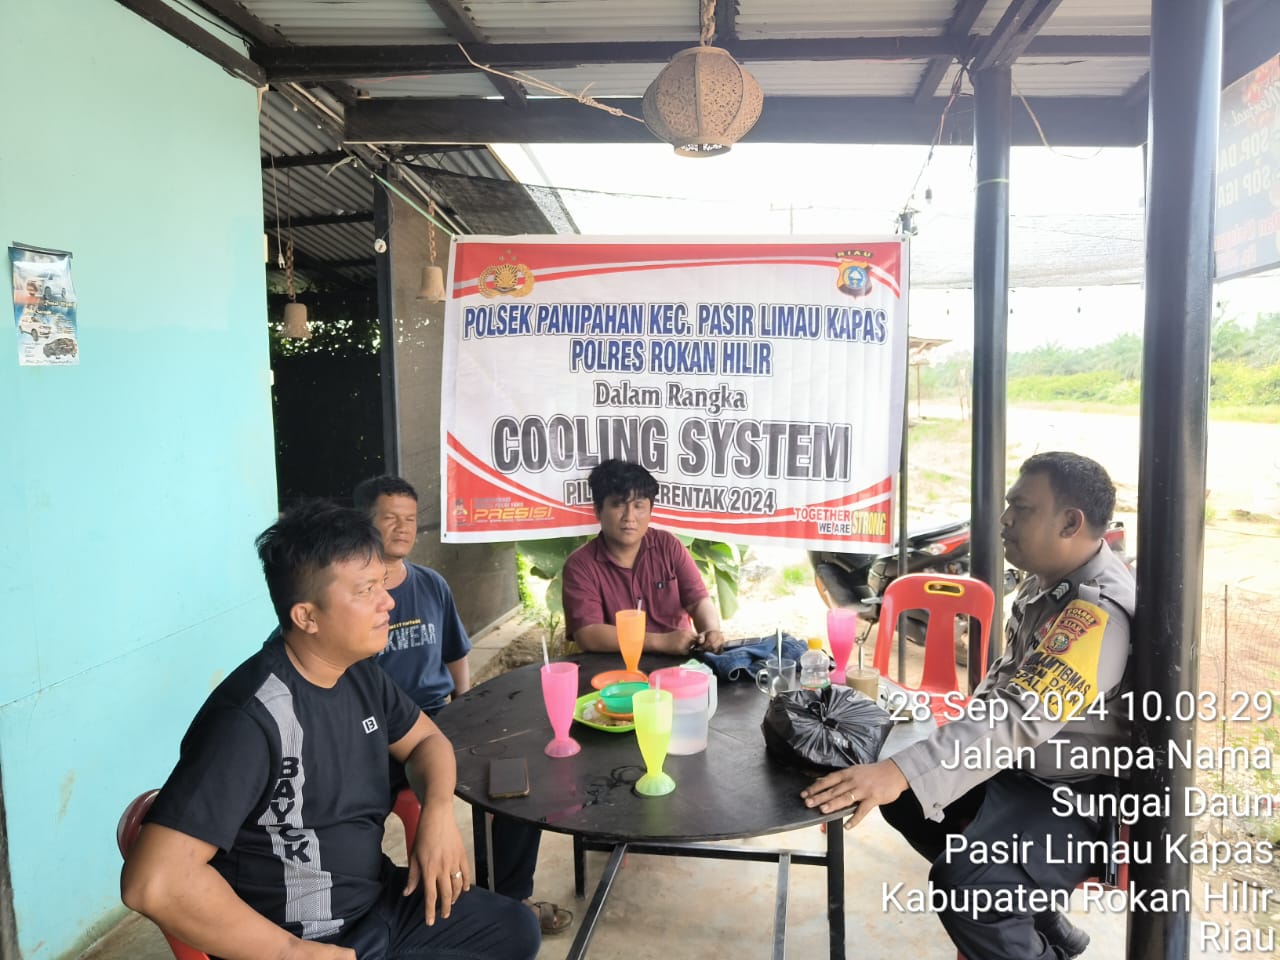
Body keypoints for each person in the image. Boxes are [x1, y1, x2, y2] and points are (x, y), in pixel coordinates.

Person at [120, 500, 539, 960]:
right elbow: (153, 883)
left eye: (382, 583)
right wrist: (291, 952)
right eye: (365, 591)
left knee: (514, 930)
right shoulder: (250, 718)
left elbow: (427, 739)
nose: (388, 602)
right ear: (307, 617)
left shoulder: (358, 672)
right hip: (311, 937)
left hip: (377, 904)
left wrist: (438, 813)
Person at [801, 452, 1135, 960]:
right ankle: (1046, 919)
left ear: (1071, 522)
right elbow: (1001, 687)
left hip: (1075, 798)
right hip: (1023, 775)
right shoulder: (1046, 584)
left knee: (968, 887)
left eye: (1021, 508)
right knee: (907, 797)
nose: (1004, 520)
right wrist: (906, 772)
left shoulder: (1096, 613)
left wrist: (901, 768)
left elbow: (1019, 716)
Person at [351, 475, 571, 937]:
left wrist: (464, 707)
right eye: (389, 518)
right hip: (377, 735)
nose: (402, 528)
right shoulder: (351, 598)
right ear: (363, 523)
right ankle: (418, 905)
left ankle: (511, 897)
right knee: (363, 811)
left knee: (518, 772)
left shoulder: (431, 584)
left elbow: (455, 652)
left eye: (410, 520)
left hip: (442, 720)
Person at [562, 459, 727, 656]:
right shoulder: (580, 565)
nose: (629, 517)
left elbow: (698, 601)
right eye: (618, 505)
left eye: (639, 506)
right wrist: (661, 642)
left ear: (650, 511)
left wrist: (711, 631)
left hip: (679, 665)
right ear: (598, 511)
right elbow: (587, 633)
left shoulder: (668, 545)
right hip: (615, 670)